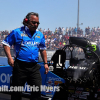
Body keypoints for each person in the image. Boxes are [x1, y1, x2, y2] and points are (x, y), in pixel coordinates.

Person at [2, 12, 49, 100]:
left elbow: (43, 49)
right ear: (26, 21)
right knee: (16, 93)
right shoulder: (17, 32)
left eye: (37, 23)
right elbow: (6, 43)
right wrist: (9, 57)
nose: (36, 25)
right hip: (20, 66)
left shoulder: (40, 35)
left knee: (37, 92)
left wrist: (46, 63)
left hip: (34, 67)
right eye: (33, 22)